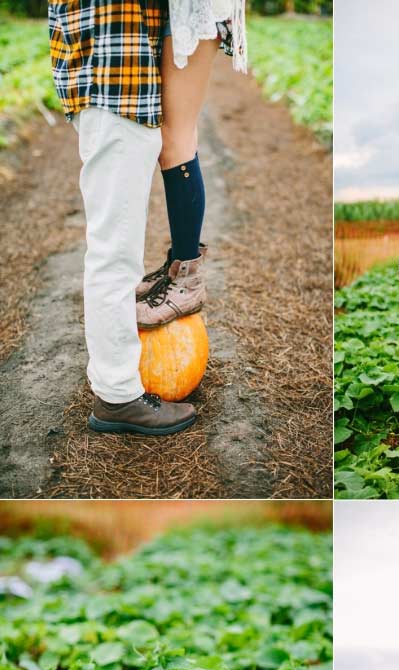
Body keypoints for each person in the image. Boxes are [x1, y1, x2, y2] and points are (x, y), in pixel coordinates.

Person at [48, 0, 244, 435]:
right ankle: (117, 396)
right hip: (113, 80)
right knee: (113, 255)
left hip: (122, 80)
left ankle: (116, 379)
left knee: (115, 250)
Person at [135, 0, 247, 329]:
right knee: (180, 134)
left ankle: (188, 278)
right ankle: (178, 266)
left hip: (197, 9)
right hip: (183, 9)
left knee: (175, 138)